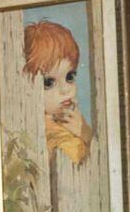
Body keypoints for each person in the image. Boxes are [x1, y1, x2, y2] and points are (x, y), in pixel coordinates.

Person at [23, 18, 92, 169]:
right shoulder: (55, 139)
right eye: (49, 83)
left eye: (70, 77)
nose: (65, 90)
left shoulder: (69, 119)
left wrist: (85, 132)